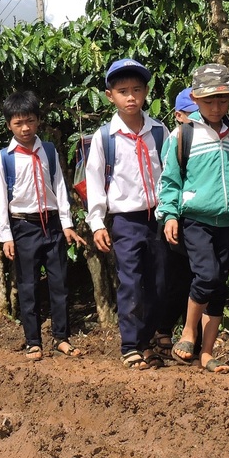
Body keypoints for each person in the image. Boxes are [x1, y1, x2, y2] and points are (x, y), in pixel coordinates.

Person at [157, 64, 229, 373]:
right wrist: (169, 214)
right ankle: (188, 332)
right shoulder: (183, 135)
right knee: (205, 276)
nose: (216, 107)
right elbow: (170, 181)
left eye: (222, 100)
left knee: (218, 286)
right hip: (195, 218)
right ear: (195, 98)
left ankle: (207, 353)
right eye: (209, 101)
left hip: (228, 222)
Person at [85, 58, 170, 369]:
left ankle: (147, 339)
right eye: (123, 91)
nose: (131, 97)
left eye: (137, 89)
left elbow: (170, 175)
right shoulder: (105, 137)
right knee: (131, 282)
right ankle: (130, 346)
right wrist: (97, 223)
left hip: (158, 219)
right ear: (110, 96)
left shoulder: (160, 132)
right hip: (126, 221)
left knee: (159, 285)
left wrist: (172, 212)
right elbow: (95, 181)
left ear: (146, 91)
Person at [0, 91, 86, 360]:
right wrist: (6, 236)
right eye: (18, 123)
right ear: (9, 124)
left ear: (38, 121)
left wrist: (67, 223)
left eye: (30, 121)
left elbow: (59, 187)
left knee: (60, 284)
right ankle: (33, 341)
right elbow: (1, 200)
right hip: (24, 227)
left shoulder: (49, 151)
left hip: (52, 225)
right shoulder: (4, 158)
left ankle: (61, 338)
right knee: (28, 285)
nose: (25, 128)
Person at [156, 88, 202, 357]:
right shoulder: (178, 138)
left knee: (193, 276)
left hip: (196, 218)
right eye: (193, 114)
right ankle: (164, 329)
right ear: (178, 115)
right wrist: (170, 215)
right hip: (175, 216)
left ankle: (189, 333)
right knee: (173, 277)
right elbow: (170, 181)